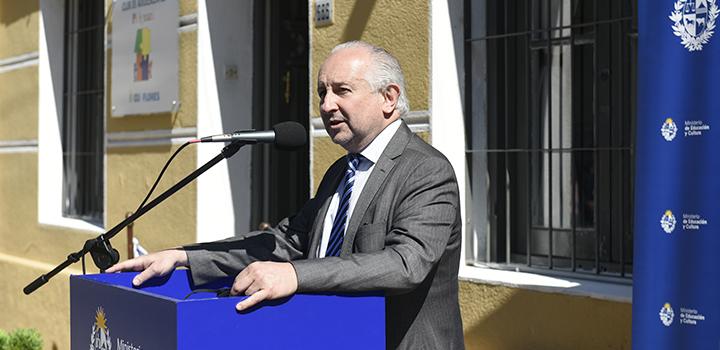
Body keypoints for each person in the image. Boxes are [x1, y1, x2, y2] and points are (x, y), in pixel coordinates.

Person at [107, 41, 464, 349]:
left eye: (342, 90)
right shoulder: (343, 171)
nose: (326, 105)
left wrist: (294, 275)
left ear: (389, 98)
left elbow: (406, 264)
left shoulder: (425, 171)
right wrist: (185, 256)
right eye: (322, 92)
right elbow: (283, 243)